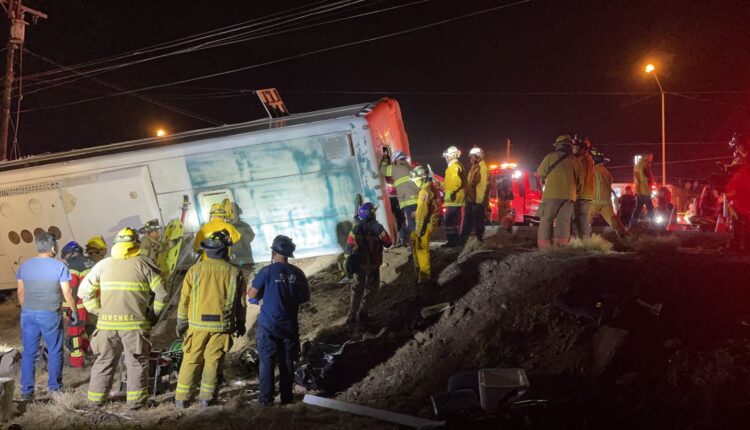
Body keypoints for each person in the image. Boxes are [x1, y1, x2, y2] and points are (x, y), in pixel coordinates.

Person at [78, 227, 168, 409]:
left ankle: (95, 401)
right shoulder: (144, 264)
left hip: (106, 326)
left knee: (103, 362)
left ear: (116, 244)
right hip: (134, 326)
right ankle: (135, 404)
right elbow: (163, 295)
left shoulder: (102, 265)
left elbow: (83, 293)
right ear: (135, 244)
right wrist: (154, 315)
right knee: (136, 363)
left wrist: (98, 310)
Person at [174, 231, 246, 409]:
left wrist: (181, 322)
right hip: (221, 326)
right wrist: (240, 323)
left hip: (196, 326)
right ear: (226, 250)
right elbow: (241, 303)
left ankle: (182, 399)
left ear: (206, 250)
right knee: (213, 360)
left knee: (191, 359)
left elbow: (184, 300)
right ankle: (206, 398)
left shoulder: (195, 270)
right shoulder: (235, 272)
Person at [248, 235, 310, 406]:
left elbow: (251, 295)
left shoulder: (266, 271)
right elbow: (304, 297)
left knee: (267, 362)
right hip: (289, 325)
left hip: (268, 325)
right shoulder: (298, 273)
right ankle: (286, 399)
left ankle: (265, 400)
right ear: (289, 253)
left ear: (273, 252)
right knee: (287, 362)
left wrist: (264, 297)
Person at [16, 232, 78, 400]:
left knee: (29, 353)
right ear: (52, 247)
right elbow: (67, 292)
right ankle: (55, 388)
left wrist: (27, 309)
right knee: (55, 351)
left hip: (28, 314)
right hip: (50, 314)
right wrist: (73, 311)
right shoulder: (60, 266)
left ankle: (27, 391)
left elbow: (20, 292)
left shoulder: (24, 266)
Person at [344, 203, 392, 324]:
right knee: (371, 289)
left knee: (356, 289)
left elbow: (348, 249)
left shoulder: (355, 228)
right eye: (373, 212)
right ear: (370, 213)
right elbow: (388, 243)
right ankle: (363, 313)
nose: (374, 213)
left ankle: (351, 317)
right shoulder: (378, 227)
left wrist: (348, 265)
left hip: (359, 265)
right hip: (374, 265)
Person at [536, 135, 582, 248]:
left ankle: (545, 247)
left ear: (558, 146)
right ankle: (560, 246)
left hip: (552, 194)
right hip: (569, 196)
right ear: (570, 147)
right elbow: (580, 182)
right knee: (564, 221)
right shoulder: (576, 161)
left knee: (547, 219)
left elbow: (540, 173)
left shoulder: (550, 157)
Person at [61, 241, 94, 368]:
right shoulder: (91, 262)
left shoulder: (73, 265)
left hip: (78, 305)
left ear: (71, 252)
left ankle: (77, 360)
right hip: (92, 304)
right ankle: (89, 350)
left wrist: (66, 309)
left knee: (75, 332)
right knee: (85, 330)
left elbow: (71, 289)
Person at [409, 165, 441, 283]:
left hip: (426, 224)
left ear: (422, 179)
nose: (415, 183)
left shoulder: (424, 192)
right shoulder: (431, 187)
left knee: (421, 247)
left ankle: (424, 276)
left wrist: (418, 230)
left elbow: (422, 213)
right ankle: (417, 267)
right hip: (431, 220)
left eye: (416, 181)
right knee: (413, 237)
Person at [380, 150, 418, 246]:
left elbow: (383, 170)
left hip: (408, 201)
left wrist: (385, 158)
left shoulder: (395, 168)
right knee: (416, 222)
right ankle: (418, 242)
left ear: (396, 160)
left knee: (411, 223)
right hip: (417, 200)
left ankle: (415, 244)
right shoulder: (410, 168)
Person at [589, 149, 627, 239]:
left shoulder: (593, 170)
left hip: (595, 200)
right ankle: (625, 238)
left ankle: (584, 240)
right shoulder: (606, 172)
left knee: (584, 220)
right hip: (606, 201)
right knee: (613, 220)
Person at [461, 146, 490, 243]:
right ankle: (464, 239)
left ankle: (479, 239)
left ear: (477, 157)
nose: (470, 159)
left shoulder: (481, 168)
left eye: (472, 157)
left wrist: (483, 201)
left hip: (478, 200)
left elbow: (483, 184)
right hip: (472, 199)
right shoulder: (475, 167)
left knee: (478, 222)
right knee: (468, 220)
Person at [441, 146, 465, 247]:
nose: (446, 158)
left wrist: (450, 193)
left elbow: (456, 183)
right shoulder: (454, 166)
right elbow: (449, 184)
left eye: (447, 156)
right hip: (455, 198)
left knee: (448, 221)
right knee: (453, 221)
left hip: (454, 199)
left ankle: (453, 242)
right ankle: (456, 241)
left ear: (450, 156)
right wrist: (439, 183)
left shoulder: (454, 167)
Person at [572, 137, 595, 239]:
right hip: (583, 194)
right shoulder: (585, 159)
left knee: (582, 219)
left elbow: (581, 177)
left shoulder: (584, 160)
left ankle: (584, 242)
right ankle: (580, 241)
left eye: (575, 147)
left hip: (582, 194)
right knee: (580, 219)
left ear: (582, 149)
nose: (573, 149)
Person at [630, 153, 656, 228]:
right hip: (644, 191)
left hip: (643, 191)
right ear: (647, 155)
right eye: (651, 156)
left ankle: (632, 224)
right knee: (650, 208)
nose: (652, 158)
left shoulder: (642, 164)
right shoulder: (643, 165)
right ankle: (654, 224)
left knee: (639, 208)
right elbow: (639, 179)